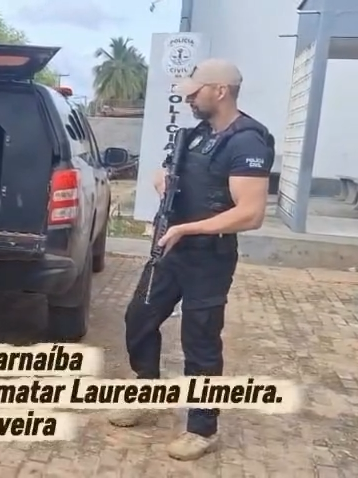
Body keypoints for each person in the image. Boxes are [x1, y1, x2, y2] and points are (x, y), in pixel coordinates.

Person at [108, 59, 275, 461]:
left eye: (195, 91)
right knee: (139, 317)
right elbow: (171, 173)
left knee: (200, 341)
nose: (188, 99)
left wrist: (188, 228)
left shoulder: (248, 142)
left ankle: (202, 428)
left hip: (209, 258)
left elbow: (250, 213)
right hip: (172, 248)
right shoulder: (197, 135)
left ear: (220, 90)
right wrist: (162, 183)